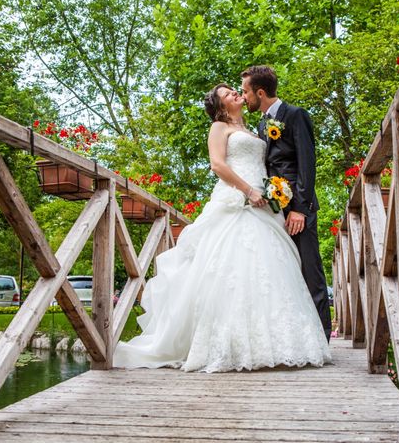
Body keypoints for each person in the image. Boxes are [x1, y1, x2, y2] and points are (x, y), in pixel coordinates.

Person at [113, 83, 331, 372]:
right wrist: (248, 191)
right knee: (229, 270)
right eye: (228, 94)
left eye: (235, 90)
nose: (235, 94)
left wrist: (270, 191)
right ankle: (228, 345)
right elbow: (217, 165)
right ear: (221, 106)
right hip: (237, 201)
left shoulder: (259, 128)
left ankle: (274, 342)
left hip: (264, 205)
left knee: (268, 271)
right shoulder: (218, 127)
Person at [241, 65, 332, 341]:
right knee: (284, 271)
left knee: (310, 270)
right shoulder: (261, 124)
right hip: (274, 208)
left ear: (260, 92)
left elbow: (307, 164)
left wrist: (300, 210)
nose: (243, 97)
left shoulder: (295, 116)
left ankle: (323, 338)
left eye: (245, 92)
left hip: (298, 208)